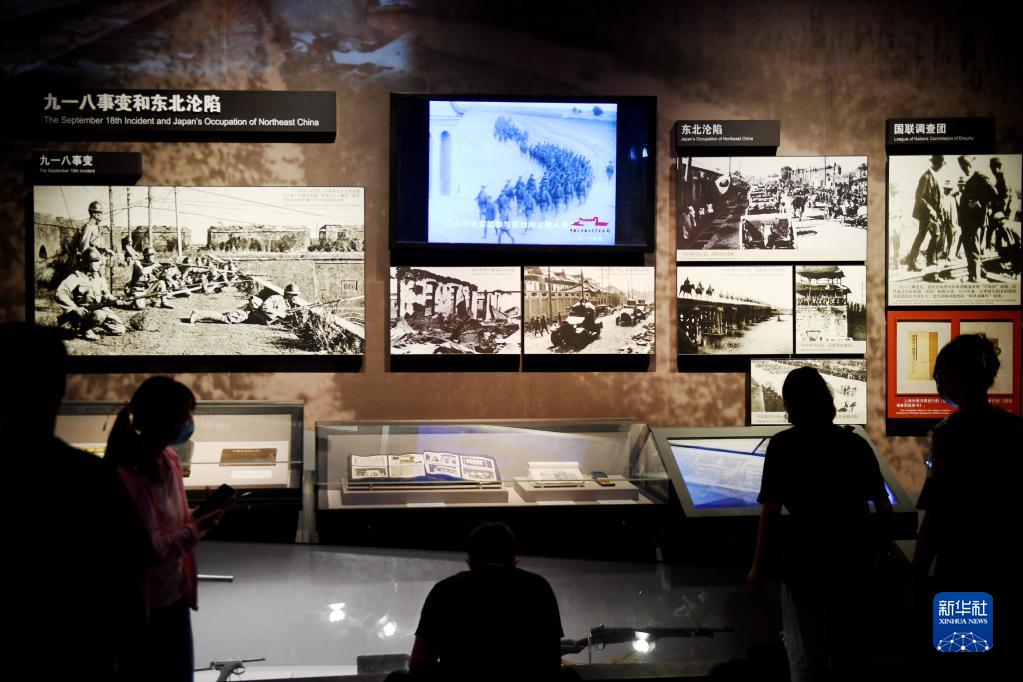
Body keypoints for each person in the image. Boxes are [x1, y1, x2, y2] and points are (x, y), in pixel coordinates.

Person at [5, 322, 152, 680]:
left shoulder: (95, 476)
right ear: (62, 386)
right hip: (77, 658)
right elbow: (130, 590)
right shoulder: (91, 478)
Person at [748, 366, 892, 682]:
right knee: (850, 654)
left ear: (790, 403)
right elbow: (883, 504)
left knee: (806, 655)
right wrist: (880, 553)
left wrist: (758, 565)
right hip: (852, 562)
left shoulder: (783, 445)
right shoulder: (855, 444)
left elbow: (771, 509)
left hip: (804, 564)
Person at [105, 377, 230, 682]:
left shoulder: (169, 459)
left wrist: (198, 516)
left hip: (173, 592)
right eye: (185, 415)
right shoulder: (132, 475)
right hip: (145, 606)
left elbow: (173, 523)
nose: (190, 422)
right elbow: (150, 550)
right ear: (162, 420)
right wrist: (195, 529)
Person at [911, 335, 1022, 675]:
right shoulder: (1014, 428)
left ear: (952, 376)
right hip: (1005, 565)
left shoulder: (950, 433)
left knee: (962, 652)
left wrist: (916, 577)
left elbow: (936, 515)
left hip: (962, 566)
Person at [401, 523, 564, 681]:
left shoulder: (443, 590)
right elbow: (552, 660)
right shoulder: (538, 587)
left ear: (469, 562)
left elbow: (420, 663)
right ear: (514, 561)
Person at [54, 246, 126, 340]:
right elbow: (59, 293)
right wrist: (74, 308)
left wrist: (115, 300)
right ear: (88, 263)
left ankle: (90, 324)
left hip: (98, 308)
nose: (99, 264)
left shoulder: (100, 277)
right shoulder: (77, 276)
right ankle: (85, 330)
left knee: (120, 329)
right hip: (82, 311)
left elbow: (106, 294)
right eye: (96, 261)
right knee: (100, 315)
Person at [956, 155, 998, 282]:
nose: (964, 169)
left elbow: (994, 192)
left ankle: (975, 277)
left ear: (970, 165)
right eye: (962, 168)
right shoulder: (970, 179)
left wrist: (979, 201)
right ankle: (974, 274)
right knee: (969, 248)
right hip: (967, 221)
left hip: (974, 221)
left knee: (973, 248)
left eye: (965, 167)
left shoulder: (979, 176)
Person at [904, 155, 944, 272]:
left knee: (935, 235)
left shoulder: (934, 176)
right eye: (941, 164)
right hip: (925, 214)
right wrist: (931, 210)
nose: (942, 166)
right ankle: (912, 264)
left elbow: (937, 198)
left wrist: (939, 212)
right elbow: (919, 197)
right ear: (936, 163)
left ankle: (929, 260)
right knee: (921, 237)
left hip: (932, 214)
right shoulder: (925, 177)